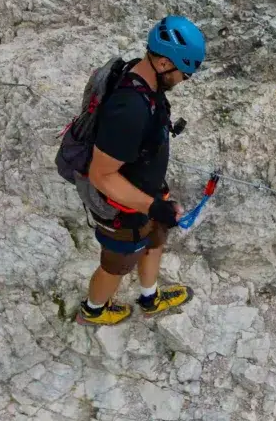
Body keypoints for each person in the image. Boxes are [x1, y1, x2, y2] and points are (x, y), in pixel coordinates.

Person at [76, 16, 207, 327]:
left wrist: (157, 203)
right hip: (122, 210)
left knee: (155, 240)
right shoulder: (129, 109)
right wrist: (154, 207)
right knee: (116, 265)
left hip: (146, 192)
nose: (184, 80)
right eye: (184, 73)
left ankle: (149, 298)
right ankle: (93, 311)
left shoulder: (142, 74)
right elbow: (102, 175)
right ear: (163, 63)